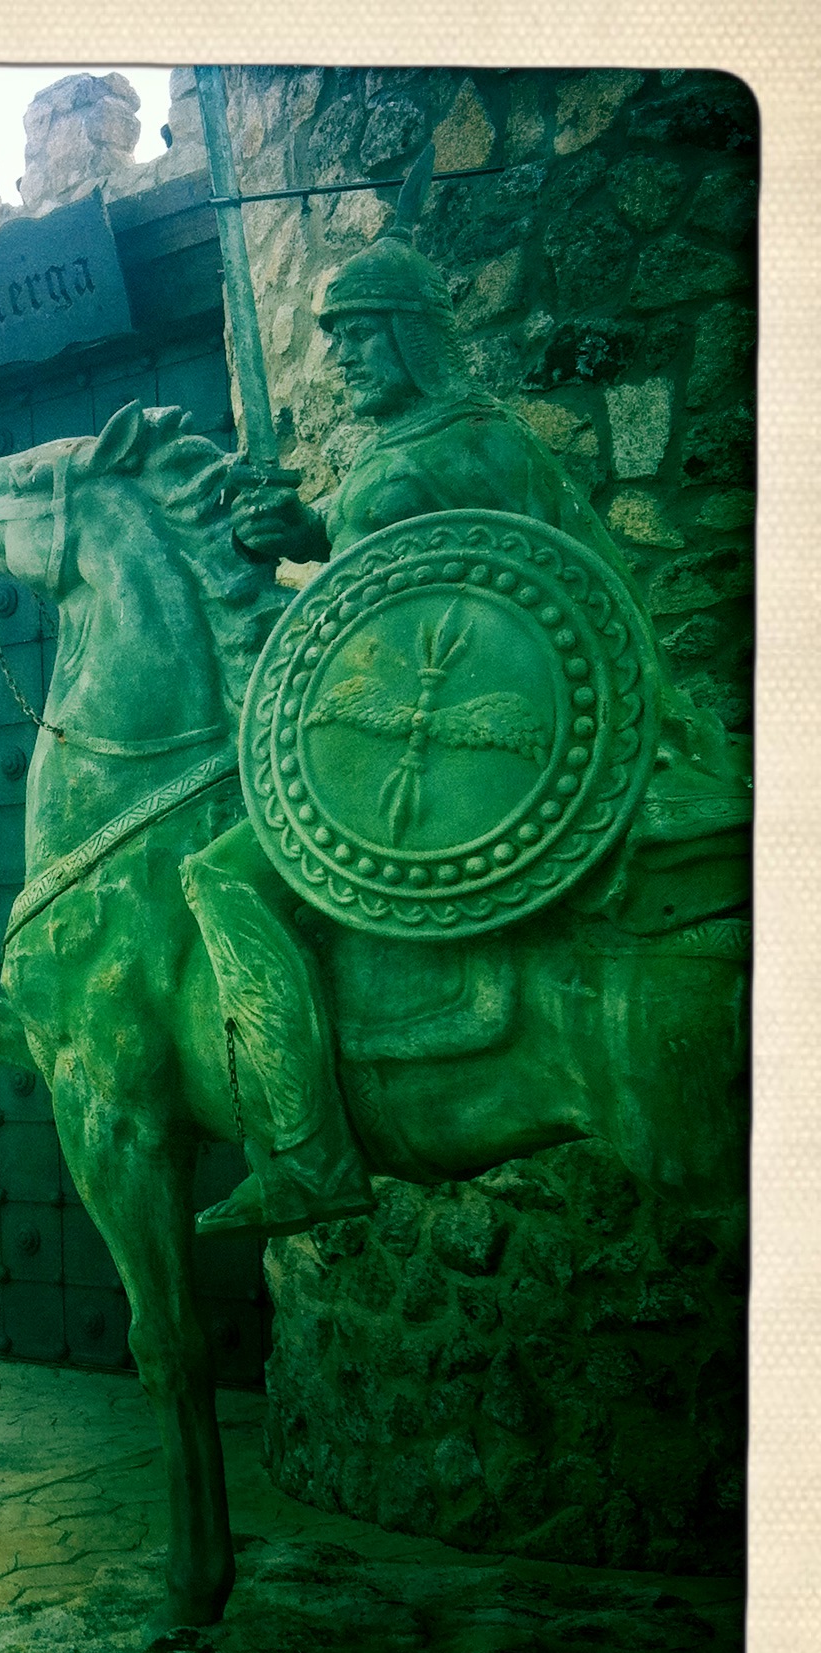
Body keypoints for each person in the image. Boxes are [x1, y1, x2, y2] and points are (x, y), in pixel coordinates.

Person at [182, 152, 673, 1239]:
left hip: (443, 741)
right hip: (385, 728)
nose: (340, 357)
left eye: (359, 334)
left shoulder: (482, 443)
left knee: (220, 877)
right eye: (332, 337)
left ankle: (307, 1155)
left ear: (411, 333)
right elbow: (384, 557)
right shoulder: (401, 446)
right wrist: (304, 530)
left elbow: (561, 579)